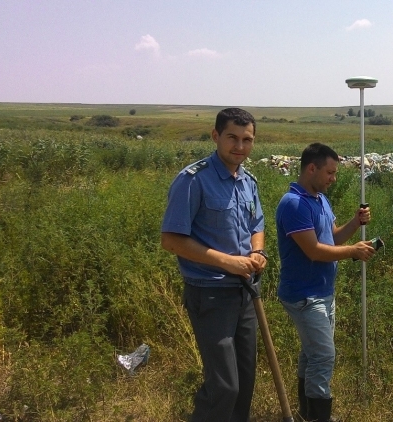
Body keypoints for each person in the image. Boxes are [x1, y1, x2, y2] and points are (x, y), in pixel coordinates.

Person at [161, 107, 267, 422]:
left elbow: (256, 225)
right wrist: (229, 262)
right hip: (210, 292)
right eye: (232, 137)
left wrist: (257, 253)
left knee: (245, 383)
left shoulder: (248, 180)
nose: (240, 146)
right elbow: (171, 240)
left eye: (247, 139)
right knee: (224, 387)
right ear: (215, 136)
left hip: (245, 293)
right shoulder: (194, 180)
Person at [275, 142, 376, 422]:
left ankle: (307, 413)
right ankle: (320, 417)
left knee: (312, 354)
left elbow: (331, 238)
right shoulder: (294, 204)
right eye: (330, 172)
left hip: (322, 292)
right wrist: (353, 252)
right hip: (304, 296)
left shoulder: (319, 199)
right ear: (312, 168)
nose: (334, 178)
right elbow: (315, 251)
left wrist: (355, 223)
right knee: (323, 356)